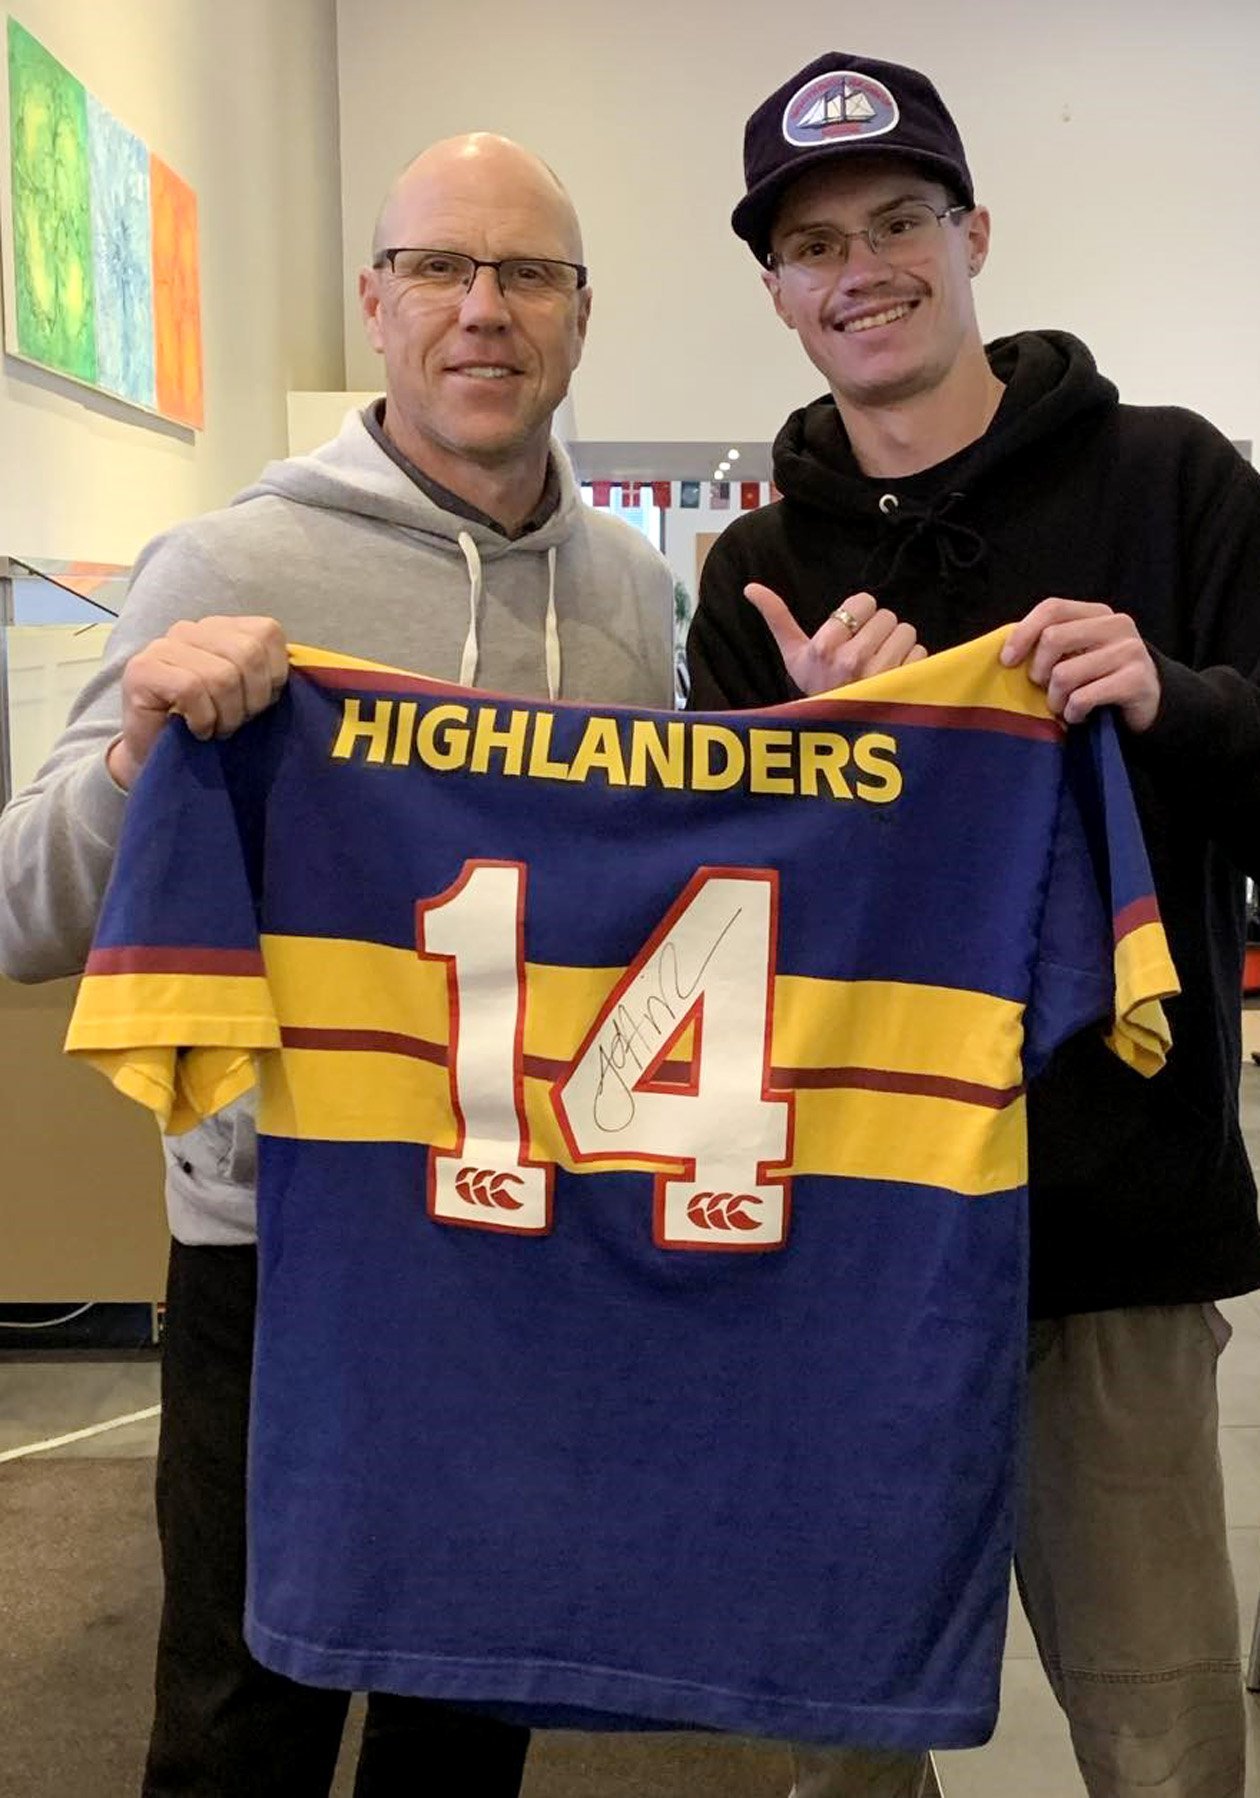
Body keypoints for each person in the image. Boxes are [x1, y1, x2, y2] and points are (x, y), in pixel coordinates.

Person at [0, 132, 674, 1797]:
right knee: (244, 1713)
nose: (484, 311)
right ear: (376, 304)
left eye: (528, 273)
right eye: (441, 268)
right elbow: (22, 908)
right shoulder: (227, 563)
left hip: (522, 1242)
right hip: (281, 1249)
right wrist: (139, 744)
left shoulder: (633, 601)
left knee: (468, 1702)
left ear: (581, 318)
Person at [687, 51, 1260, 1798]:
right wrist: (808, 770)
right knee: (838, 1735)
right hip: (846, 1240)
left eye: (900, 220)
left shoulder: (1174, 482)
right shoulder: (754, 575)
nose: (862, 266)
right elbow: (718, 931)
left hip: (1111, 1226)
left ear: (974, 231)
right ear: (779, 295)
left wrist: (1173, 695)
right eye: (814, 244)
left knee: (1163, 1727)